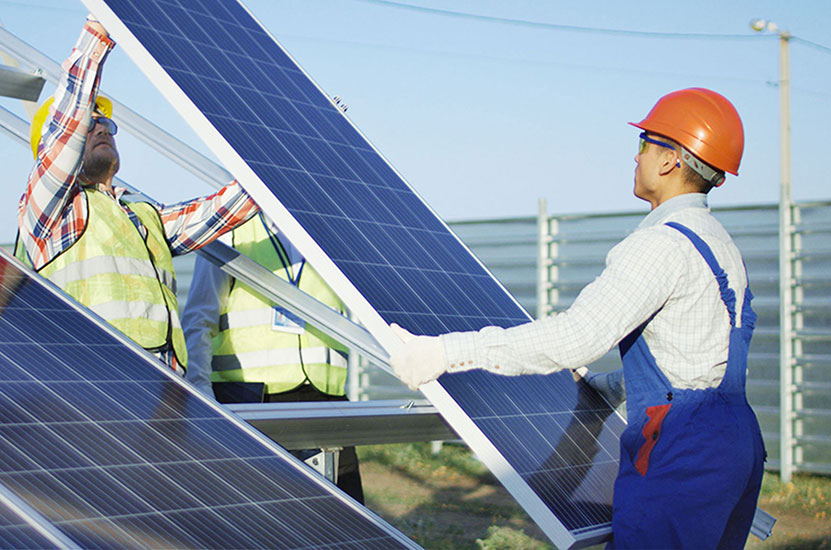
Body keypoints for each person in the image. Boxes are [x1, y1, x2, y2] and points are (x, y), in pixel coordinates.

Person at [389, 88, 765, 549]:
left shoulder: (659, 245)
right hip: (736, 443)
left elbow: (577, 335)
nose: (636, 157)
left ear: (669, 160)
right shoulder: (720, 244)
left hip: (679, 447)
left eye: (643, 144)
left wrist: (445, 351)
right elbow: (697, 357)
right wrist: (609, 386)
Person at [17, 16, 259, 376]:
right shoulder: (51, 212)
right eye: (91, 122)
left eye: (107, 124)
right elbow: (66, 125)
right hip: (93, 386)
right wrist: (96, 35)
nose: (101, 127)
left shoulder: (142, 213)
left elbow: (220, 211)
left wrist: (288, 162)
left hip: (164, 389)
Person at [181, 212, 364, 504]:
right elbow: (198, 319)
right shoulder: (232, 231)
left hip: (325, 400)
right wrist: (202, 395)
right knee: (259, 517)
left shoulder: (328, 238)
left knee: (344, 517)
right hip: (252, 400)